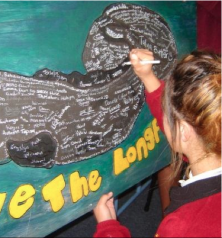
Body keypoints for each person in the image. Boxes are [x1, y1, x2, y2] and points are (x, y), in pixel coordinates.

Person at [93, 49, 221, 237]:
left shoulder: (182, 227)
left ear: (183, 131)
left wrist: (109, 228)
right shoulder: (209, 141)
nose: (165, 116)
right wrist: (148, 77)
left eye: (168, 114)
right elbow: (186, 126)